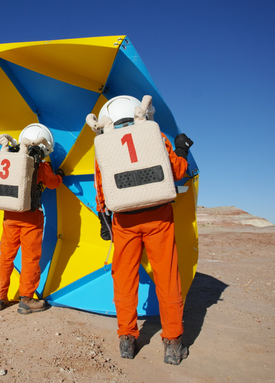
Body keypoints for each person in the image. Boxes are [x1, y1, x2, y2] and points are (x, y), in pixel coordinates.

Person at [89, 95, 193, 365]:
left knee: (124, 280)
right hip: (159, 218)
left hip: (123, 222)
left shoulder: (104, 147)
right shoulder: (155, 136)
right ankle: (172, 343)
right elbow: (177, 171)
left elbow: (101, 188)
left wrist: (104, 218)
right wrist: (181, 150)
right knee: (167, 278)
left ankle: (127, 338)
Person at [0, 124, 64, 314]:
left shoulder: (12, 160)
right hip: (31, 218)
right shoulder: (42, 166)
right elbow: (52, 183)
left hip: (9, 216)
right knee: (30, 258)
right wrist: (60, 177)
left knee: (6, 258)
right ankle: (26, 299)